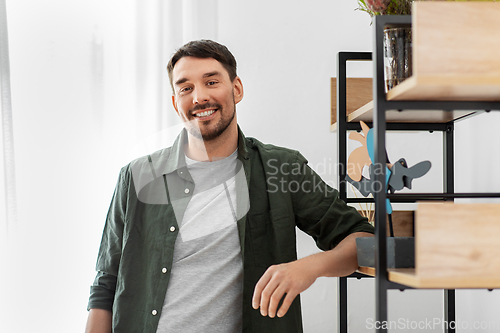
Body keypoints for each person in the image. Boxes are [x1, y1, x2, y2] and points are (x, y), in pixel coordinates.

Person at [85, 39, 374, 333]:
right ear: (176, 103)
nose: (199, 97)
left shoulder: (280, 169)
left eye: (211, 81)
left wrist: (309, 268)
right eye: (185, 88)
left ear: (236, 89)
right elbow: (105, 282)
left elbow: (365, 243)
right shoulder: (137, 176)